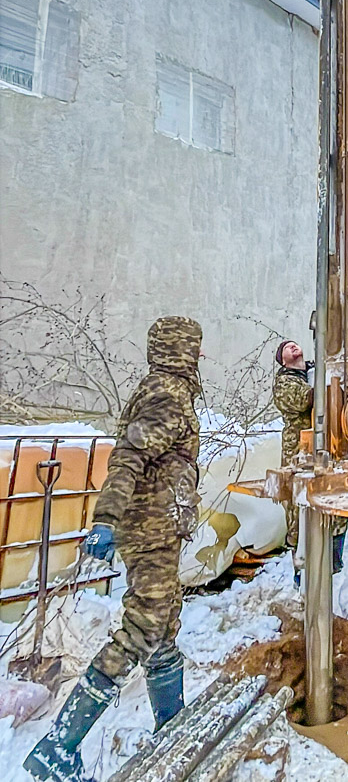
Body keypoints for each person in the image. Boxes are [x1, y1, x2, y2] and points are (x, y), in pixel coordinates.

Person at [25, 316, 203, 782]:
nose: (200, 356)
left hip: (156, 531)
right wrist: (105, 519)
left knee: (163, 627)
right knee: (142, 629)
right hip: (150, 533)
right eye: (196, 347)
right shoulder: (168, 396)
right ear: (184, 350)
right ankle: (59, 745)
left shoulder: (163, 390)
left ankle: (172, 727)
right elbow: (128, 457)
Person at [272, 340, 346, 583]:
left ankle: (333, 566)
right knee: (298, 511)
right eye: (286, 348)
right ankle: (302, 575)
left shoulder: (314, 372)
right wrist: (329, 381)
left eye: (295, 344)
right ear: (283, 361)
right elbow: (308, 399)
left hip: (327, 450)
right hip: (298, 454)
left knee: (334, 509)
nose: (293, 347)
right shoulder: (285, 382)